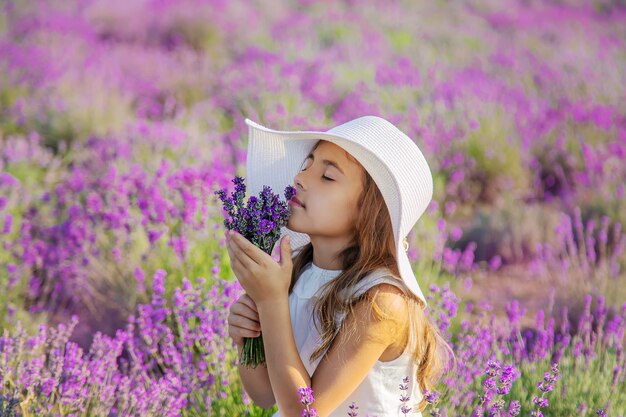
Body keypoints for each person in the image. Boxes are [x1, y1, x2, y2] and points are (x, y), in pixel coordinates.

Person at [226, 115, 454, 417]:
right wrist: (248, 341)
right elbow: (266, 395)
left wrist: (270, 302)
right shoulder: (297, 272)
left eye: (328, 177)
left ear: (369, 212)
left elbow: (305, 412)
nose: (300, 179)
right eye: (306, 165)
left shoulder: (381, 302)